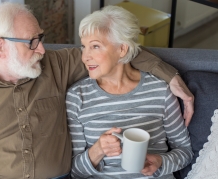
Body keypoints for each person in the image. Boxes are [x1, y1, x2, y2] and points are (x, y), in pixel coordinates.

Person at [0, 2, 194, 179]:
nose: (42, 50)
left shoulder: (56, 66)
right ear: (1, 48)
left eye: (41, 39)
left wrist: (169, 76)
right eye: (33, 42)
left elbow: (115, 50)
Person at [66, 5, 193, 179]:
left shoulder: (160, 90)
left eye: (95, 46)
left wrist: (160, 162)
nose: (85, 57)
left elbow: (185, 151)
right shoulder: (77, 97)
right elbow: (73, 171)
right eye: (84, 47)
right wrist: (97, 151)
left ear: (122, 49)